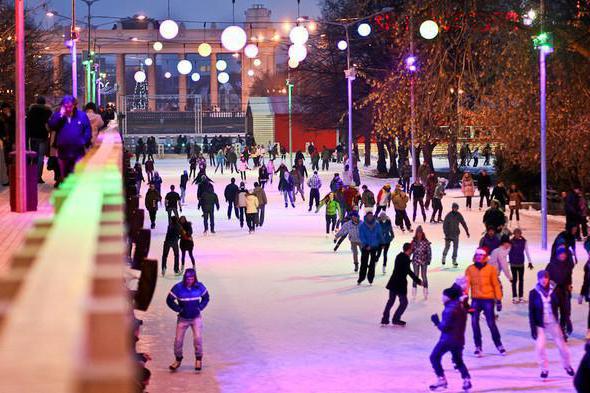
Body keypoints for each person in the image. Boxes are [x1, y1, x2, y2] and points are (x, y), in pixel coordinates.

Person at [528, 270, 575, 379]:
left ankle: (567, 366)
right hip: (540, 324)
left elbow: (563, 308)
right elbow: (531, 312)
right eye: (541, 278)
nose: (543, 280)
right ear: (538, 279)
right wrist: (532, 328)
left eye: (545, 277)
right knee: (540, 348)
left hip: (553, 323)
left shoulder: (555, 291)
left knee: (563, 348)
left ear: (548, 278)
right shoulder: (533, 293)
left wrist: (567, 321)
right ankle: (544, 369)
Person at [428, 285, 472, 392]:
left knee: (434, 357)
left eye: (443, 296)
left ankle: (441, 379)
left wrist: (436, 322)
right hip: (459, 340)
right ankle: (466, 380)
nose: (442, 298)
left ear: (449, 297)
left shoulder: (449, 310)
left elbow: (445, 327)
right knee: (458, 361)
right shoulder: (461, 307)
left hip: (447, 340)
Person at [166, 269, 210, 372]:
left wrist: (200, 307)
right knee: (178, 340)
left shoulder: (199, 287)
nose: (190, 280)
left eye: (192, 278)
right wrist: (179, 309)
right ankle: (178, 359)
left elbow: (206, 297)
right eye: (188, 278)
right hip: (183, 319)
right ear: (184, 278)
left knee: (198, 339)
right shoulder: (178, 288)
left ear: (195, 278)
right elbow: (169, 300)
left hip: (196, 318)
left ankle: (198, 359)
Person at [465, 248, 506, 357]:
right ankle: (478, 346)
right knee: (474, 322)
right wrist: (464, 299)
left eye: (480, 255)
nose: (478, 257)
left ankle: (499, 344)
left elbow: (496, 285)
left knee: (491, 323)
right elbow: (466, 284)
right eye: (477, 255)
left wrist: (498, 300)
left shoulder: (491, 269)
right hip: (476, 299)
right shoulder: (470, 269)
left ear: (485, 257)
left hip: (488, 299)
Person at [47, 95, 91, 182]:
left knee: (76, 172)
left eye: (70, 105)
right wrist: (60, 115)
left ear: (74, 105)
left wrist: (84, 140)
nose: (68, 107)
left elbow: (87, 129)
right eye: (65, 105)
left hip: (78, 149)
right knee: (65, 174)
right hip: (63, 150)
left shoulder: (81, 116)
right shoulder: (59, 115)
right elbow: (52, 125)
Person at [381, 243, 422, 325]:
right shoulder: (405, 259)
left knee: (391, 301)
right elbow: (409, 272)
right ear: (408, 249)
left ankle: (385, 319)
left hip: (393, 282)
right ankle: (395, 319)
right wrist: (418, 281)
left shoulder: (400, 256)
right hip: (399, 284)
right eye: (411, 249)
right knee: (404, 303)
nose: (412, 250)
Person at [545, 245, 575, 340]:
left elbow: (569, 277)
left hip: (564, 292)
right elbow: (546, 278)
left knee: (564, 312)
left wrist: (569, 285)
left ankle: (562, 331)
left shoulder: (568, 265)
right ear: (557, 254)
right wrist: (551, 286)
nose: (563, 256)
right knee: (554, 314)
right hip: (554, 292)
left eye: (564, 254)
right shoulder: (551, 265)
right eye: (561, 254)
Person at [26, 96, 52, 183]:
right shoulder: (48, 112)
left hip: (33, 136)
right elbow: (49, 124)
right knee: (41, 157)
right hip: (43, 136)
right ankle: (38, 177)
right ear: (44, 103)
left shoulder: (31, 111)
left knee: (34, 156)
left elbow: (28, 124)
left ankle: (31, 176)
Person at [358, 211, 384, 285]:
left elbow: (380, 234)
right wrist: (366, 245)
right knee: (364, 263)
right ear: (366, 217)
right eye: (369, 216)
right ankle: (361, 278)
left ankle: (370, 278)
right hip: (365, 247)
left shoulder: (377, 225)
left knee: (372, 264)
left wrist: (382, 242)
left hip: (374, 246)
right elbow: (361, 236)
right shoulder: (362, 225)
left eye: (371, 216)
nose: (370, 217)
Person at [442, 203, 470, 268]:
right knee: (447, 247)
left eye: (456, 208)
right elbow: (445, 225)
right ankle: (444, 256)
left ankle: (454, 259)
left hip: (456, 234)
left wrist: (467, 231)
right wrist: (446, 233)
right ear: (452, 208)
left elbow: (463, 223)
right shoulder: (448, 215)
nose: (455, 209)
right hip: (448, 234)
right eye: (454, 208)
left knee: (455, 247)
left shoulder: (459, 215)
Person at [509, 228, 534, 303]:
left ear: (520, 234)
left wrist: (530, 262)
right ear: (514, 234)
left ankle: (521, 296)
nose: (517, 235)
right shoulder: (510, 242)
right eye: (515, 233)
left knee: (521, 280)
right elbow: (507, 251)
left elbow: (527, 251)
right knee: (514, 280)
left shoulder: (524, 241)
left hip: (521, 263)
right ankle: (514, 296)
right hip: (513, 263)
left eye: (518, 233)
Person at [411, 226, 431, 300]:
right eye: (418, 232)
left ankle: (425, 290)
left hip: (424, 260)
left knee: (424, 275)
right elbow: (411, 250)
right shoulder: (413, 241)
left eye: (420, 232)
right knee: (415, 276)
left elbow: (429, 251)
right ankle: (414, 291)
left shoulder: (425, 242)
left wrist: (429, 259)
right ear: (416, 233)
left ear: (422, 233)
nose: (419, 234)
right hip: (415, 260)